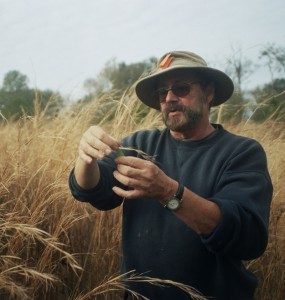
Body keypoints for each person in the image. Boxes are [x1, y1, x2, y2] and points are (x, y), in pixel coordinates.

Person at [69, 51, 273, 300]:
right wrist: (85, 158)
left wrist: (168, 192)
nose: (169, 98)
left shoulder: (241, 152)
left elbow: (247, 236)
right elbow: (93, 190)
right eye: (162, 92)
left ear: (208, 93)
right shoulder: (140, 144)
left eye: (181, 88)